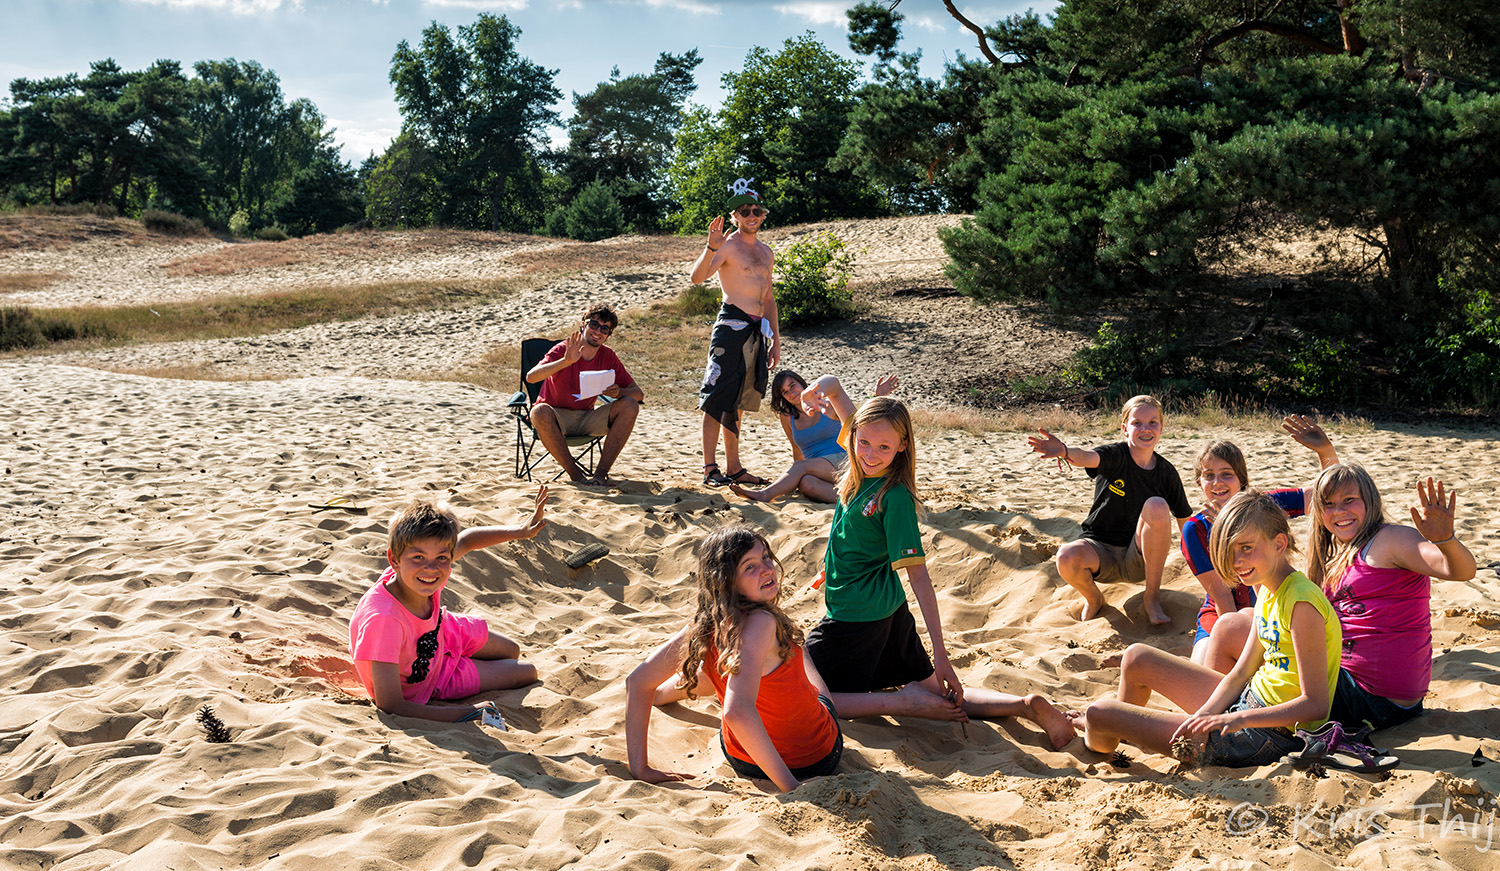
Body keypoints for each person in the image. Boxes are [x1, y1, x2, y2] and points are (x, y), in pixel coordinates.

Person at [805, 396, 1076, 749]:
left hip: (857, 619)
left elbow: (919, 576)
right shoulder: (857, 471)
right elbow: (859, 433)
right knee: (943, 693)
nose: (870, 453)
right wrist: (832, 565)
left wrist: (942, 653)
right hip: (888, 613)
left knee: (807, 692)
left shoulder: (894, 496)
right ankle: (1024, 706)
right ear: (854, 435)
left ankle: (904, 702)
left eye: (884, 446)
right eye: (864, 442)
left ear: (903, 446)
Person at [1075, 491, 1342, 767]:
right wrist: (1203, 717)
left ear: (1279, 544)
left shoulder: (1300, 603)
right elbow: (1240, 674)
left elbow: (1316, 704)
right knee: (1135, 658)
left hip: (1268, 737)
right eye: (1230, 551)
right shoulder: (1268, 590)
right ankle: (1125, 729)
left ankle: (1102, 735)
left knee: (1098, 713)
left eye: (1246, 548)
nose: (1236, 562)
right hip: (1246, 704)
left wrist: (1235, 719)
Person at [626, 526, 843, 792]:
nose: (766, 569)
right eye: (749, 567)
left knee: (728, 666)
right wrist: (792, 787)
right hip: (812, 760)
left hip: (743, 759)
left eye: (765, 557)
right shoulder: (762, 622)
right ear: (727, 580)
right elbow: (736, 711)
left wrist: (640, 768)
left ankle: (661, 693)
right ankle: (665, 692)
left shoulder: (705, 622)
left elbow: (637, 682)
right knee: (798, 650)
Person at [348, 489, 547, 723]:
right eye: (419, 557)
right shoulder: (385, 620)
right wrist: (469, 711)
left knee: (511, 650)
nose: (431, 568)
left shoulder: (418, 573)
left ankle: (466, 656)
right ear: (394, 560)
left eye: (442, 558)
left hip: (445, 630)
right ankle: (466, 667)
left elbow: (468, 539)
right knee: (526, 671)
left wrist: (521, 531)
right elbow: (390, 704)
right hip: (435, 677)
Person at [1307, 464, 1476, 733]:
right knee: (1243, 623)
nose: (1339, 511)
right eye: (1328, 504)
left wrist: (1446, 541)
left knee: (1237, 629)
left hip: (1373, 699)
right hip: (1356, 688)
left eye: (1349, 500)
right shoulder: (1341, 551)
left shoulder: (1390, 539)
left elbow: (1461, 571)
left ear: (1370, 500)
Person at [1182, 415, 1340, 673]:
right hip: (1222, 613)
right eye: (1208, 475)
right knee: (1202, 676)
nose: (1218, 482)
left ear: (1241, 479)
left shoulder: (1263, 507)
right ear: (1199, 482)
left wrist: (1326, 452)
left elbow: (1323, 496)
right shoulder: (1195, 529)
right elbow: (1223, 598)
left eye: (1227, 474)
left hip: (1275, 606)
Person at [1026, 394, 1194, 624]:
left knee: (1157, 505)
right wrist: (1065, 451)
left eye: (1153, 422)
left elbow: (1186, 522)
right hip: (1099, 552)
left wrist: (1204, 559)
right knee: (1065, 556)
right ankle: (1094, 599)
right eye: (1137, 423)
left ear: (1162, 427)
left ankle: (1151, 599)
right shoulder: (1115, 455)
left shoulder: (1166, 473)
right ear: (1125, 428)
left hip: (1139, 559)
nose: (1145, 428)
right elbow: (1086, 457)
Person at [689, 178, 780, 489]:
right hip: (730, 329)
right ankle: (709, 468)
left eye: (756, 210)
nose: (751, 215)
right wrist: (710, 247)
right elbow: (696, 278)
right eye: (744, 211)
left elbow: (768, 298)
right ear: (735, 217)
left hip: (757, 332)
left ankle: (735, 467)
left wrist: (775, 341)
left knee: (739, 402)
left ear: (763, 215)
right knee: (716, 398)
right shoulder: (728, 246)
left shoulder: (767, 253)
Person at [729, 371, 897, 504]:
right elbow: (796, 448)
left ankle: (765, 495)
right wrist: (793, 478)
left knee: (802, 468)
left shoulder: (824, 404)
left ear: (802, 383)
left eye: (793, 386)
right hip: (818, 469)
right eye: (785, 392)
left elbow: (855, 420)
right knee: (806, 484)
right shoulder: (787, 416)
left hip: (844, 460)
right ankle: (857, 499)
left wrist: (877, 397)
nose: (791, 392)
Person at [525, 304, 644, 485]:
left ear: (608, 335)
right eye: (594, 324)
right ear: (583, 325)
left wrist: (620, 392)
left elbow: (639, 394)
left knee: (630, 404)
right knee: (539, 411)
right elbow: (531, 377)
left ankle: (600, 474)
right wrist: (564, 362)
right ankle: (577, 476)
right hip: (556, 418)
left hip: (586, 418)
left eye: (605, 328)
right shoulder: (563, 349)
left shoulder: (608, 356)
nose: (598, 331)